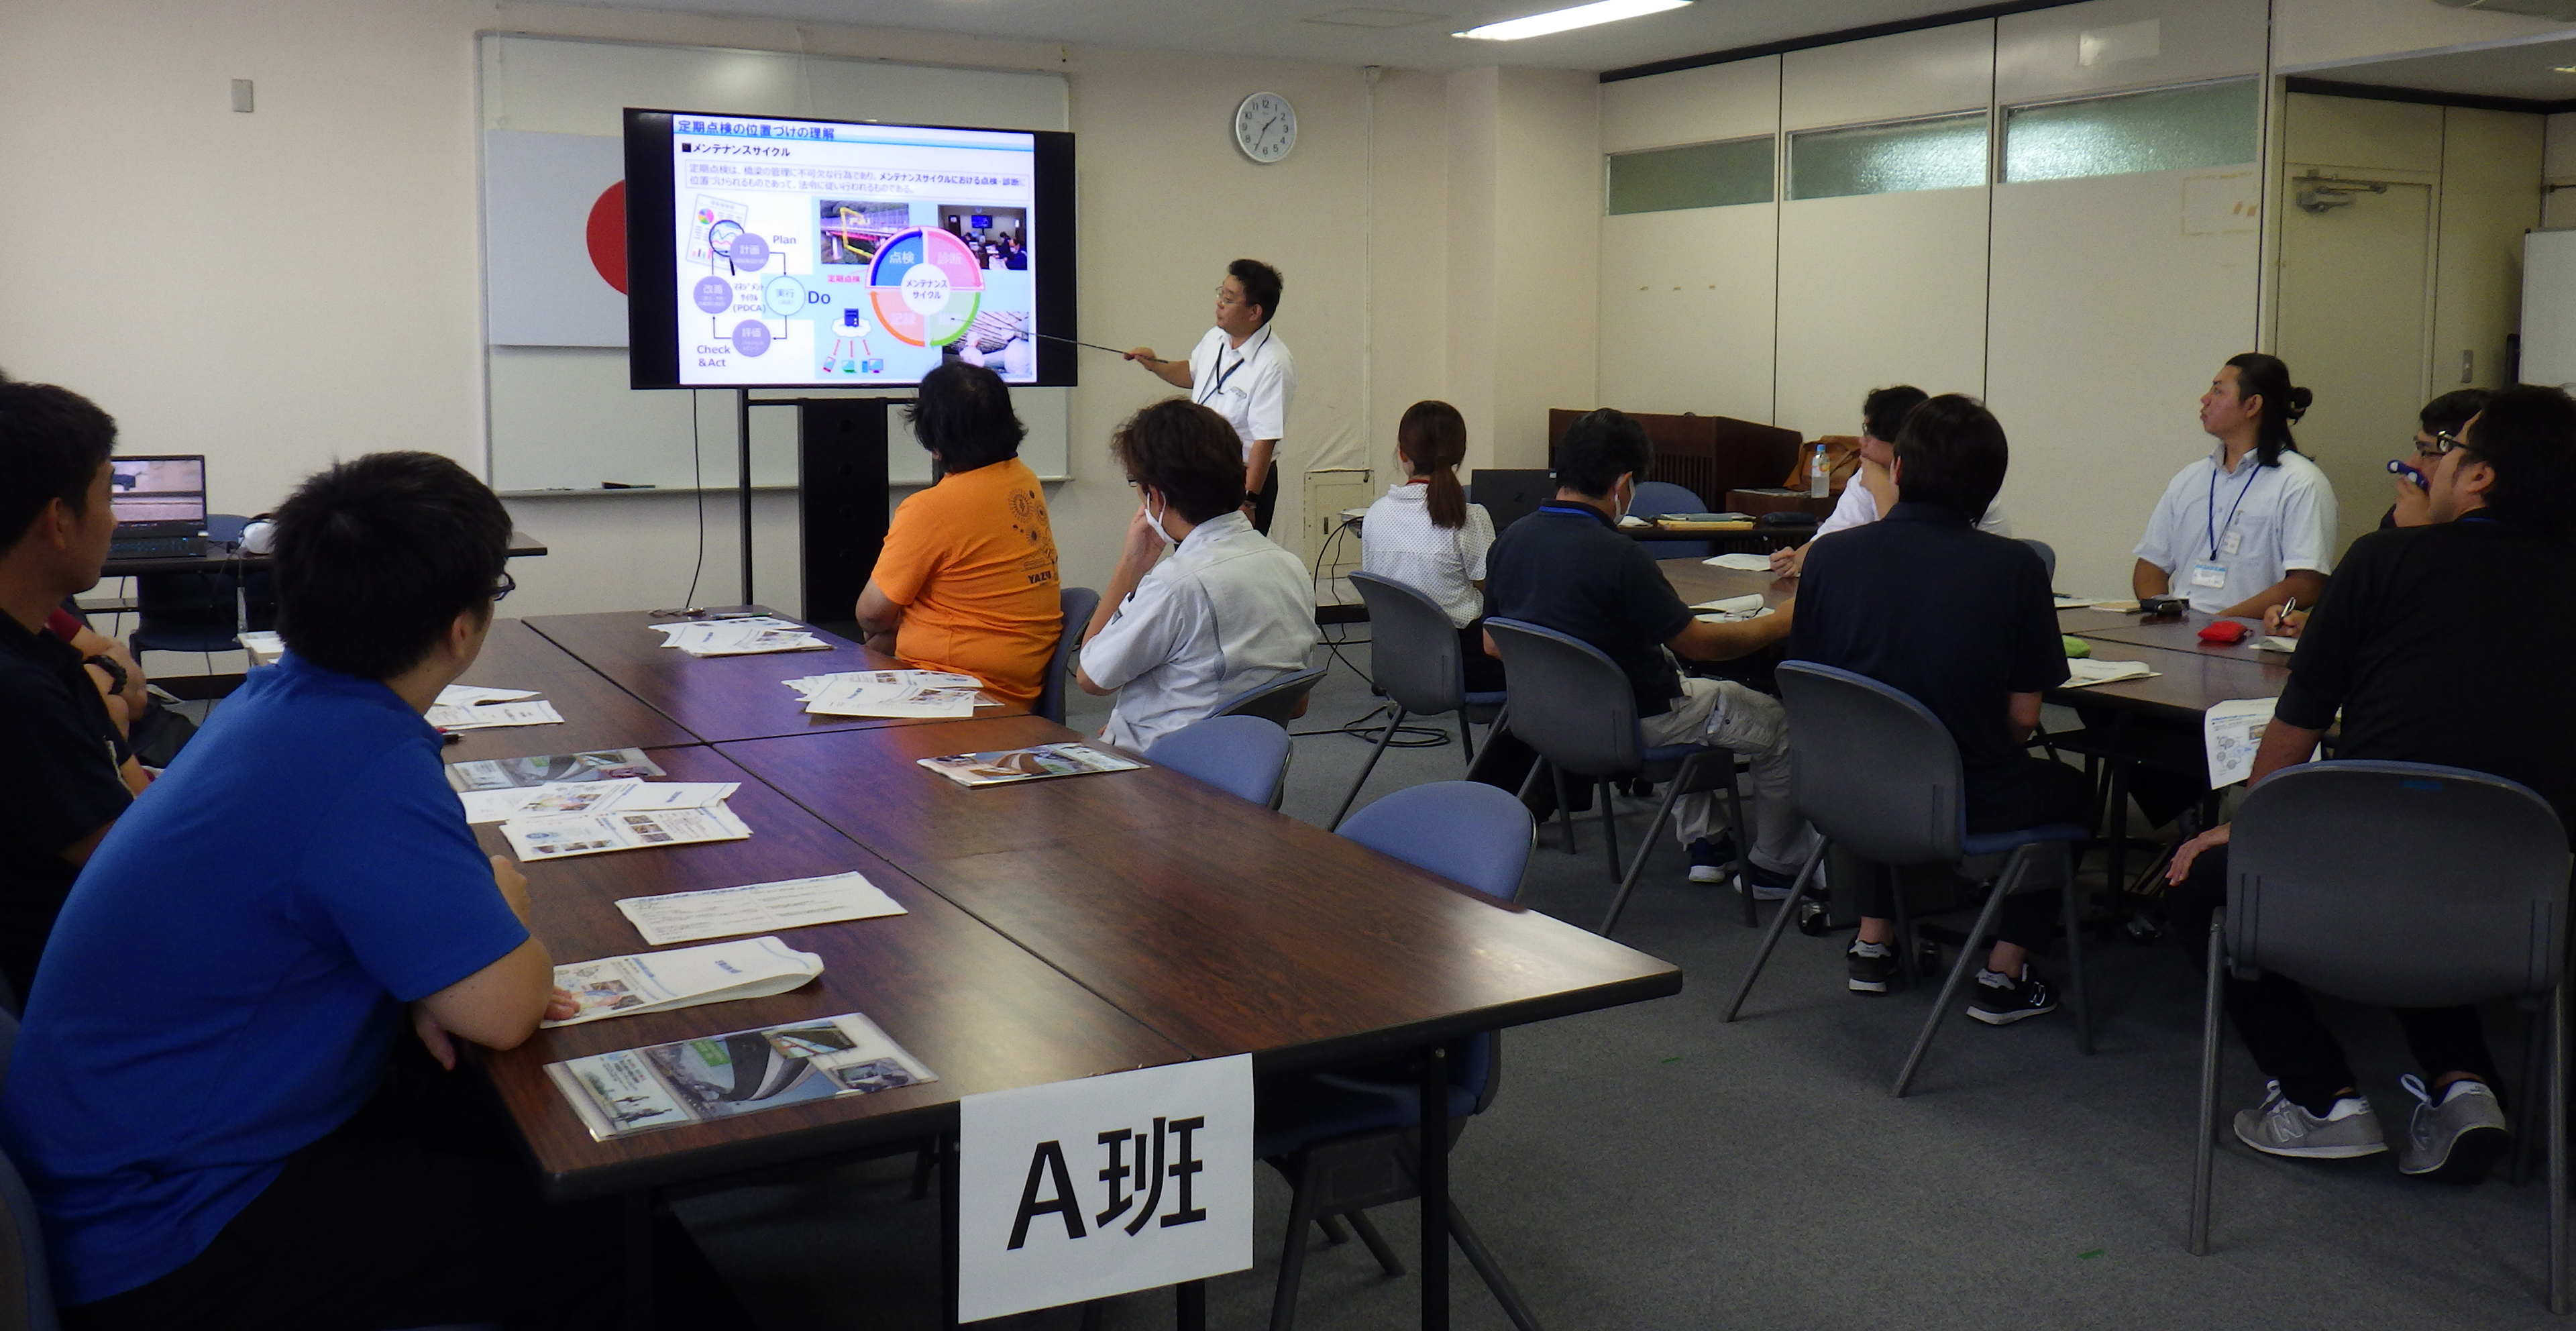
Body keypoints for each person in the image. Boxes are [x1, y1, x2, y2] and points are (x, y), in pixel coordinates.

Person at [0, 451, 625, 1328]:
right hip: (168, 1230)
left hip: (132, 1157)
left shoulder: (282, 704)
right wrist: (501, 898)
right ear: (463, 628)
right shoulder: (361, 759)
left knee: (515, 1132)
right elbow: (505, 1007)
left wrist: (427, 977)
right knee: (603, 1229)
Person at [2164, 383, 2576, 1181]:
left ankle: (2325, 1102)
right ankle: (2463, 1085)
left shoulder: (2385, 561)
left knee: (2201, 878)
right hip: (2523, 908)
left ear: (2482, 477)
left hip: (2367, 883)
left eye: (2444, 452)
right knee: (2434, 867)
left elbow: (2297, 721)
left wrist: (2246, 823)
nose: (2430, 466)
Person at [1788, 395, 2089, 1023]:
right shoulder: (2015, 569)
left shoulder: (1831, 559)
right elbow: (2025, 719)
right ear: (1989, 489)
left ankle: (1873, 942)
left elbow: (1814, 684)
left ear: (1897, 470)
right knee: (2070, 791)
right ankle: (2005, 972)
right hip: (1959, 797)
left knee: (1882, 745)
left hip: (1841, 786)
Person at [1483, 408, 1809, 896]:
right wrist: (1778, 623)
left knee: (1676, 679)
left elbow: (1493, 643)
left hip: (1547, 716)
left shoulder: (1510, 539)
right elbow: (1701, 643)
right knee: (1777, 724)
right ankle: (1776, 867)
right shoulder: (1618, 555)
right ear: (1624, 484)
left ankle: (1708, 839)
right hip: (1633, 717)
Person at [0, 381, 146, 1004]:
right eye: (109, 495)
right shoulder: (19, 697)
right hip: (105, 1009)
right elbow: (150, 880)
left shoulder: (40, 656)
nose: (115, 519)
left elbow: (135, 796)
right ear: (58, 520)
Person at [1076, 398, 1320, 751]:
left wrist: (1131, 565)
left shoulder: (1174, 585)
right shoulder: (1290, 566)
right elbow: (1296, 703)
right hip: (1245, 771)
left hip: (1160, 778)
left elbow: (1090, 677)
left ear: (1156, 497)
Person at [855, 361, 1061, 708]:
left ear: (935, 442)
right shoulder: (1023, 480)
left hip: (951, 688)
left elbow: (871, 614)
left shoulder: (930, 509)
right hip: (1017, 682)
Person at [2267, 388, 2489, 639]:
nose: (2412, 463)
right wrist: (2313, 625)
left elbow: (2444, 630)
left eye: (2428, 452)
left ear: (2478, 472)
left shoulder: (2501, 546)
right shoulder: (2398, 519)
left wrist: (2421, 537)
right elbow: (2372, 613)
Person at [2133, 354, 2337, 620]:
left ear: (2252, 405)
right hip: (2180, 634)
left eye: (2218, 391)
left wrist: (2218, 626)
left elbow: (2306, 585)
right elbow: (2151, 566)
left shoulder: (2300, 482)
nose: (2204, 399)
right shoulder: (2190, 478)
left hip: (2248, 638)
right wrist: (2165, 618)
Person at [1125, 259, 1295, 535]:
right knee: (1191, 553)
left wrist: (1249, 501)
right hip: (1198, 470)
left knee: (1231, 565)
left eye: (1228, 299)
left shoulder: (1273, 363)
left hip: (1239, 478)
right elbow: (1192, 374)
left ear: (1254, 312)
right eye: (1220, 294)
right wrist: (1155, 364)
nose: (1219, 304)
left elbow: (1264, 441)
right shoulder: (1216, 337)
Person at [1770, 384, 2009, 577]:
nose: (1861, 442)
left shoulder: (1954, 482)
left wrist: (1879, 487)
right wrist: (1798, 557)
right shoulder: (1868, 474)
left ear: (1903, 443)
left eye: (1871, 436)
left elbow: (1910, 556)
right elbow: (1832, 539)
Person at [1359, 400, 1503, 692]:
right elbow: (1494, 591)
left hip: (1396, 659)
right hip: (1462, 663)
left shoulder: (1375, 514)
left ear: (1402, 453)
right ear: (1459, 455)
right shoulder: (1470, 516)